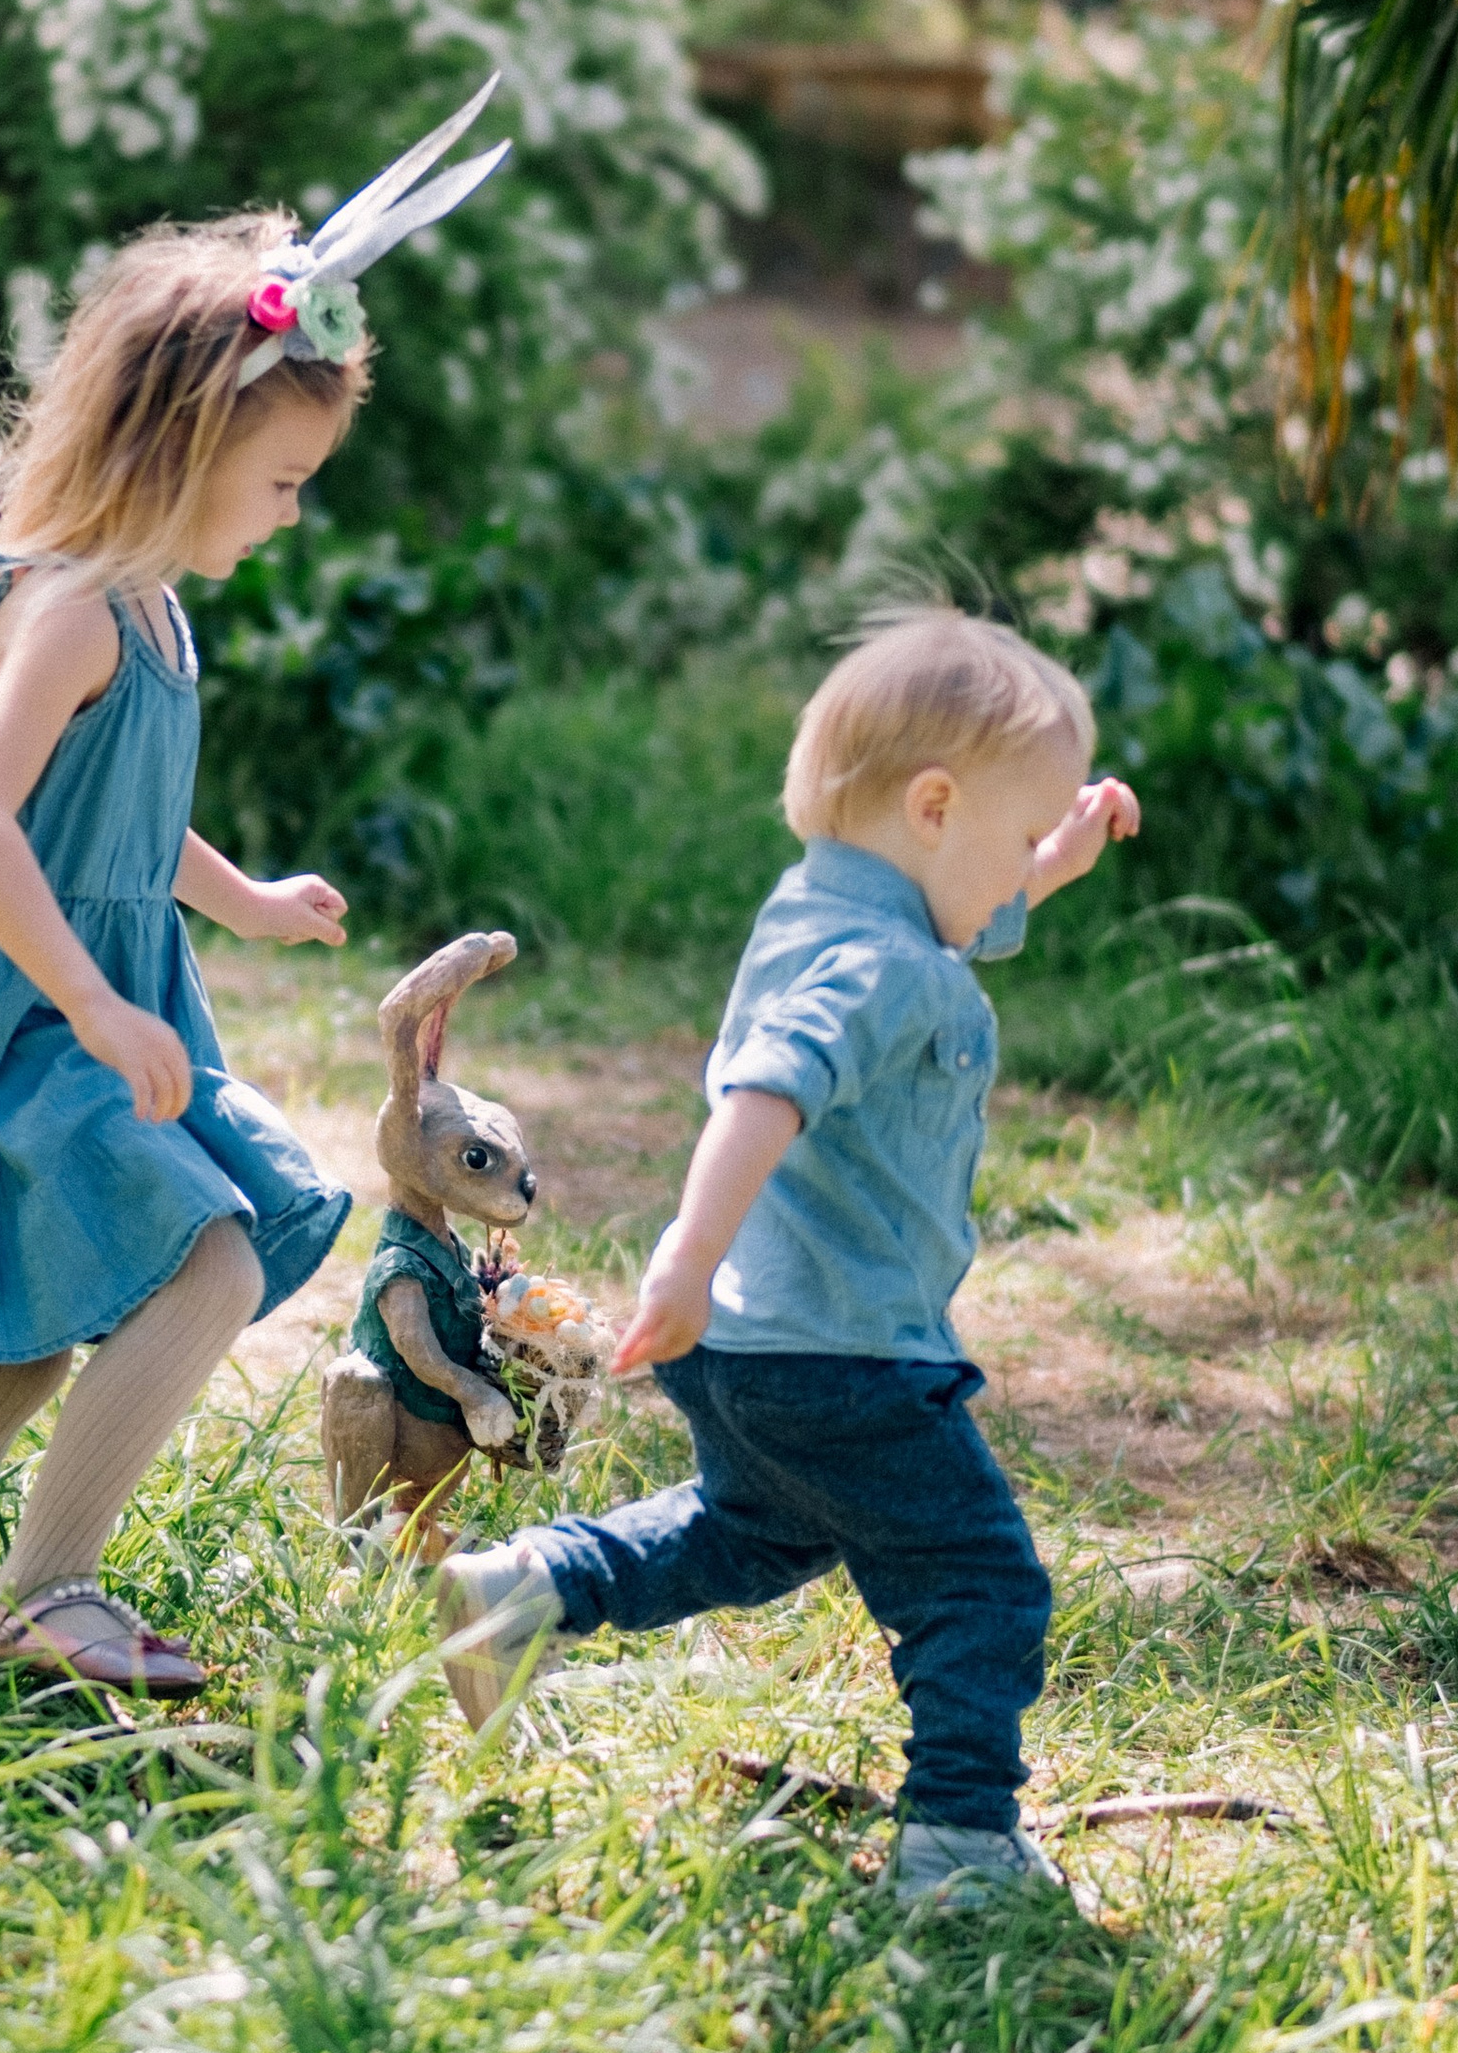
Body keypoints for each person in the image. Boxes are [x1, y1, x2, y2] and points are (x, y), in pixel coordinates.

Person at [0, 81, 516, 1695]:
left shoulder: (154, 608)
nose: (294, 513)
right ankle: (44, 1591)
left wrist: (238, 898)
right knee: (209, 1257)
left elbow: (115, 819)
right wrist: (92, 1000)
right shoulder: (73, 609)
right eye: (282, 480)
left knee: (27, 1341)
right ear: (184, 446)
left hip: (80, 999)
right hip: (14, 1013)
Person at [432, 607, 1141, 1896]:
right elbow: (768, 1088)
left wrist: (1055, 853)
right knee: (979, 1582)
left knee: (754, 1532)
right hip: (849, 1355)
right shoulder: (888, 967)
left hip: (749, 1348)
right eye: (1019, 838)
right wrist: (682, 1261)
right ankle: (962, 1841)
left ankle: (533, 1588)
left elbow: (960, 915)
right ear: (934, 808)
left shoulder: (822, 910)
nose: (1023, 869)